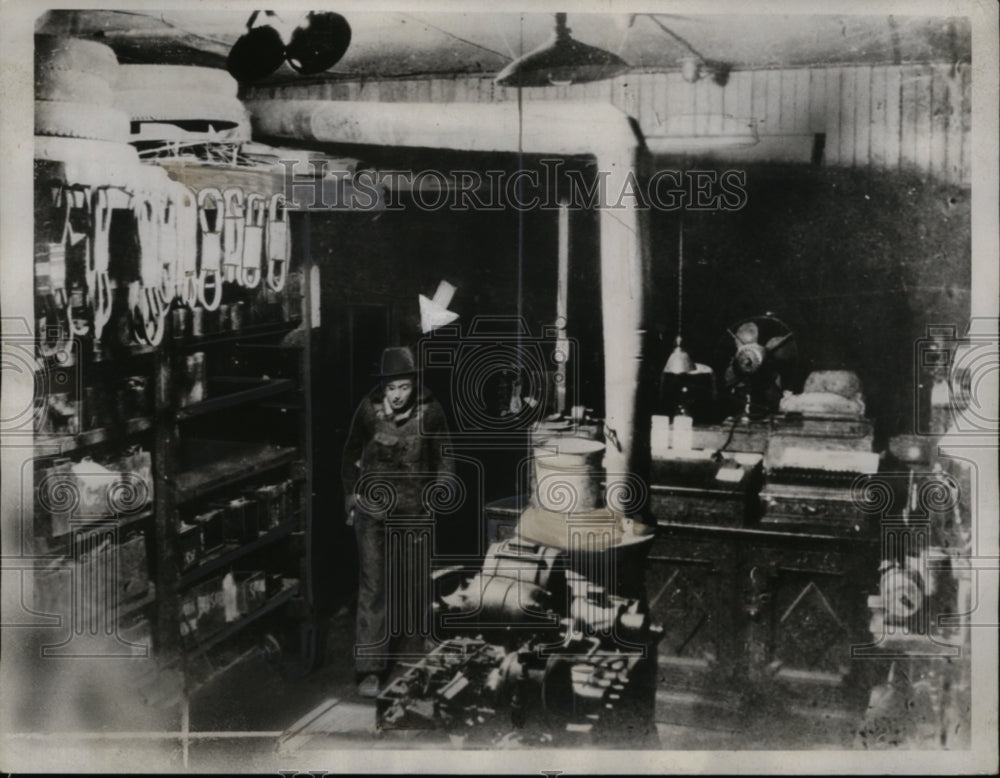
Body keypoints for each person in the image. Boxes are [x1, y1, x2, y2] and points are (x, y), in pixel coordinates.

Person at [341, 346, 453, 698]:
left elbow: (446, 458)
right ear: (382, 389)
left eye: (404, 387)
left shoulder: (430, 412)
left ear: (414, 384)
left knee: (416, 584)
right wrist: (350, 497)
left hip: (415, 512)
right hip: (373, 514)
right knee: (374, 587)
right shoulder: (368, 411)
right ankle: (370, 669)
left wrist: (439, 493)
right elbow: (349, 454)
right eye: (392, 388)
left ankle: (417, 662)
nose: (398, 395)